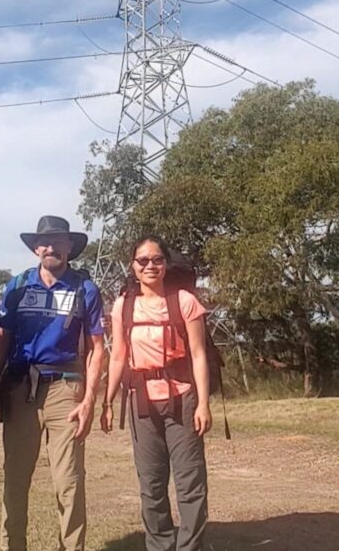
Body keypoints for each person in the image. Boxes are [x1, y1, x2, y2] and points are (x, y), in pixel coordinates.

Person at [0, 215, 105, 551]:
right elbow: (1, 341)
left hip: (65, 389)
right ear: (36, 248)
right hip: (19, 388)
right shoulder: (17, 287)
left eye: (59, 241)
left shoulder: (85, 289)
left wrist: (89, 400)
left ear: (70, 246)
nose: (51, 248)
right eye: (45, 242)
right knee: (15, 479)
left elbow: (98, 348)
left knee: (69, 482)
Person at [100, 235, 212, 551]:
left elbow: (199, 354)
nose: (151, 266)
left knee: (190, 482)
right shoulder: (123, 305)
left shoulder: (185, 301)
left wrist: (203, 403)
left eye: (157, 259)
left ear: (166, 263)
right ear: (133, 266)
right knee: (151, 483)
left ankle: (191, 547)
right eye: (143, 261)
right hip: (141, 400)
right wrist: (107, 401)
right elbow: (118, 356)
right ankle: (160, 545)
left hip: (183, 397)